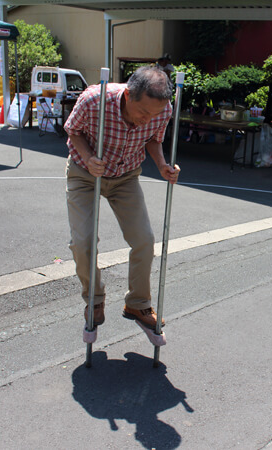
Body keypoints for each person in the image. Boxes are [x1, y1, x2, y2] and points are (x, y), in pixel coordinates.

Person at [64, 66, 180, 331]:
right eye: (143, 112)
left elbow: (153, 139)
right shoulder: (94, 99)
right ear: (128, 95)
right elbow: (73, 130)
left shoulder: (163, 110)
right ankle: (94, 299)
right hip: (85, 173)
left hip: (125, 175)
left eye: (154, 114)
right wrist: (89, 158)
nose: (147, 119)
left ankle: (137, 303)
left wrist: (162, 165)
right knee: (83, 242)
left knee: (144, 240)